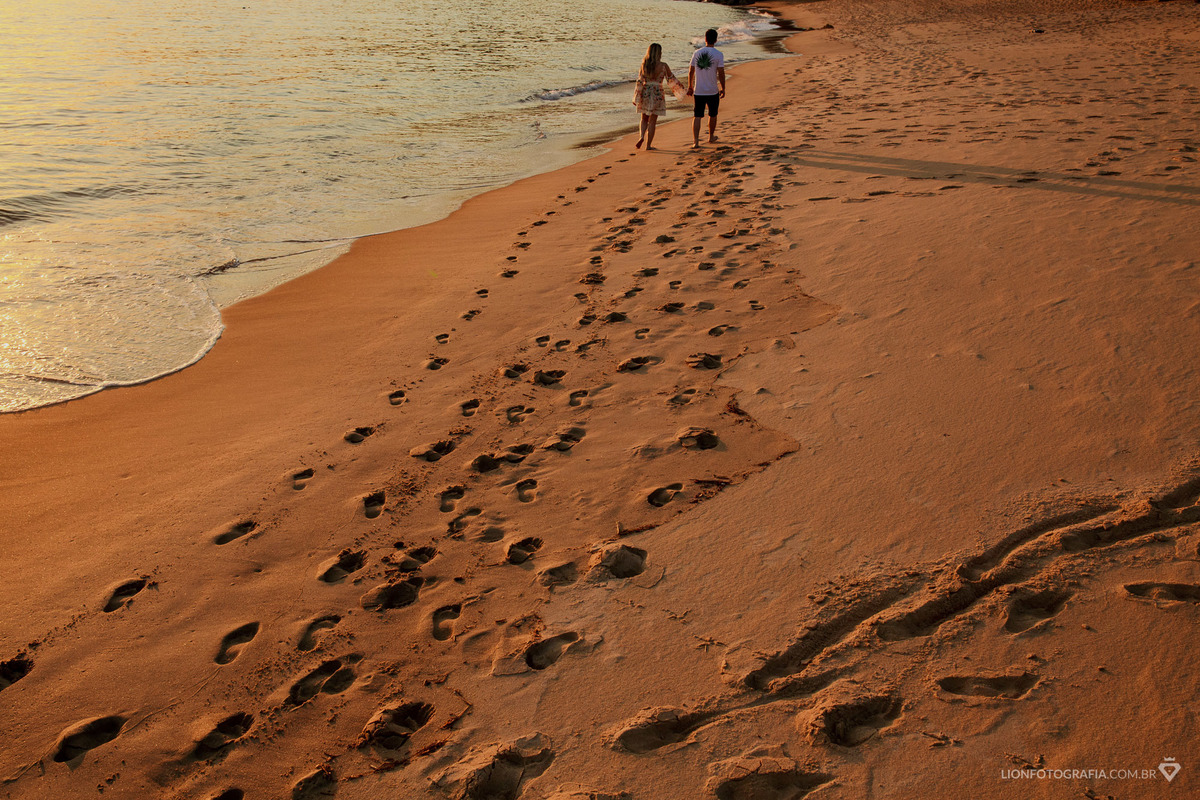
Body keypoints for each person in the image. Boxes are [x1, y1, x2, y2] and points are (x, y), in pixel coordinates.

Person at [632, 43, 681, 151]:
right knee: (652, 121)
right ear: (659, 53)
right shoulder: (663, 65)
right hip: (657, 92)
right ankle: (648, 145)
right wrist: (681, 91)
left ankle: (641, 137)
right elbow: (671, 79)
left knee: (644, 118)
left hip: (645, 91)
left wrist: (636, 96)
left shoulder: (644, 64)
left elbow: (639, 80)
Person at [687, 29, 726, 148]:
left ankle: (696, 141)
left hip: (699, 90)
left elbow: (691, 71)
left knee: (697, 115)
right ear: (716, 40)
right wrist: (723, 88)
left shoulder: (697, 53)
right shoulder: (718, 54)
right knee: (712, 114)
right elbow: (721, 73)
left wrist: (690, 86)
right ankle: (711, 137)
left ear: (705, 39)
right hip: (712, 90)